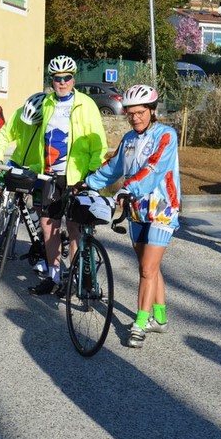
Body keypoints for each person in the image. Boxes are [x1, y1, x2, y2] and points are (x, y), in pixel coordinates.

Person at [83, 84, 179, 349]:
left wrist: (128, 188)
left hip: (162, 209)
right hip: (136, 209)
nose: (135, 118)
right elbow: (112, 168)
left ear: (152, 110)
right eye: (130, 113)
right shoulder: (128, 139)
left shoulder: (166, 135)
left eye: (140, 112)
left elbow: (154, 168)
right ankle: (160, 318)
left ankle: (139, 324)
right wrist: (87, 183)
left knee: (147, 269)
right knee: (148, 267)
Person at [27, 55, 109, 297]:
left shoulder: (86, 104)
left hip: (76, 177)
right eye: (57, 78)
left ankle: (74, 278)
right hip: (49, 175)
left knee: (74, 228)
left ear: (73, 79)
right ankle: (54, 276)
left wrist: (92, 172)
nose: (62, 82)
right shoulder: (47, 103)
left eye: (67, 78)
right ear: (51, 80)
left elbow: (98, 142)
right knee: (48, 226)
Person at [0, 92, 48, 272]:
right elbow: (4, 135)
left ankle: (43, 249)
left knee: (41, 212)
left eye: (35, 123)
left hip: (38, 168)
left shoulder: (50, 122)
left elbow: (51, 153)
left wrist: (35, 168)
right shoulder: (19, 114)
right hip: (17, 162)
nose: (30, 125)